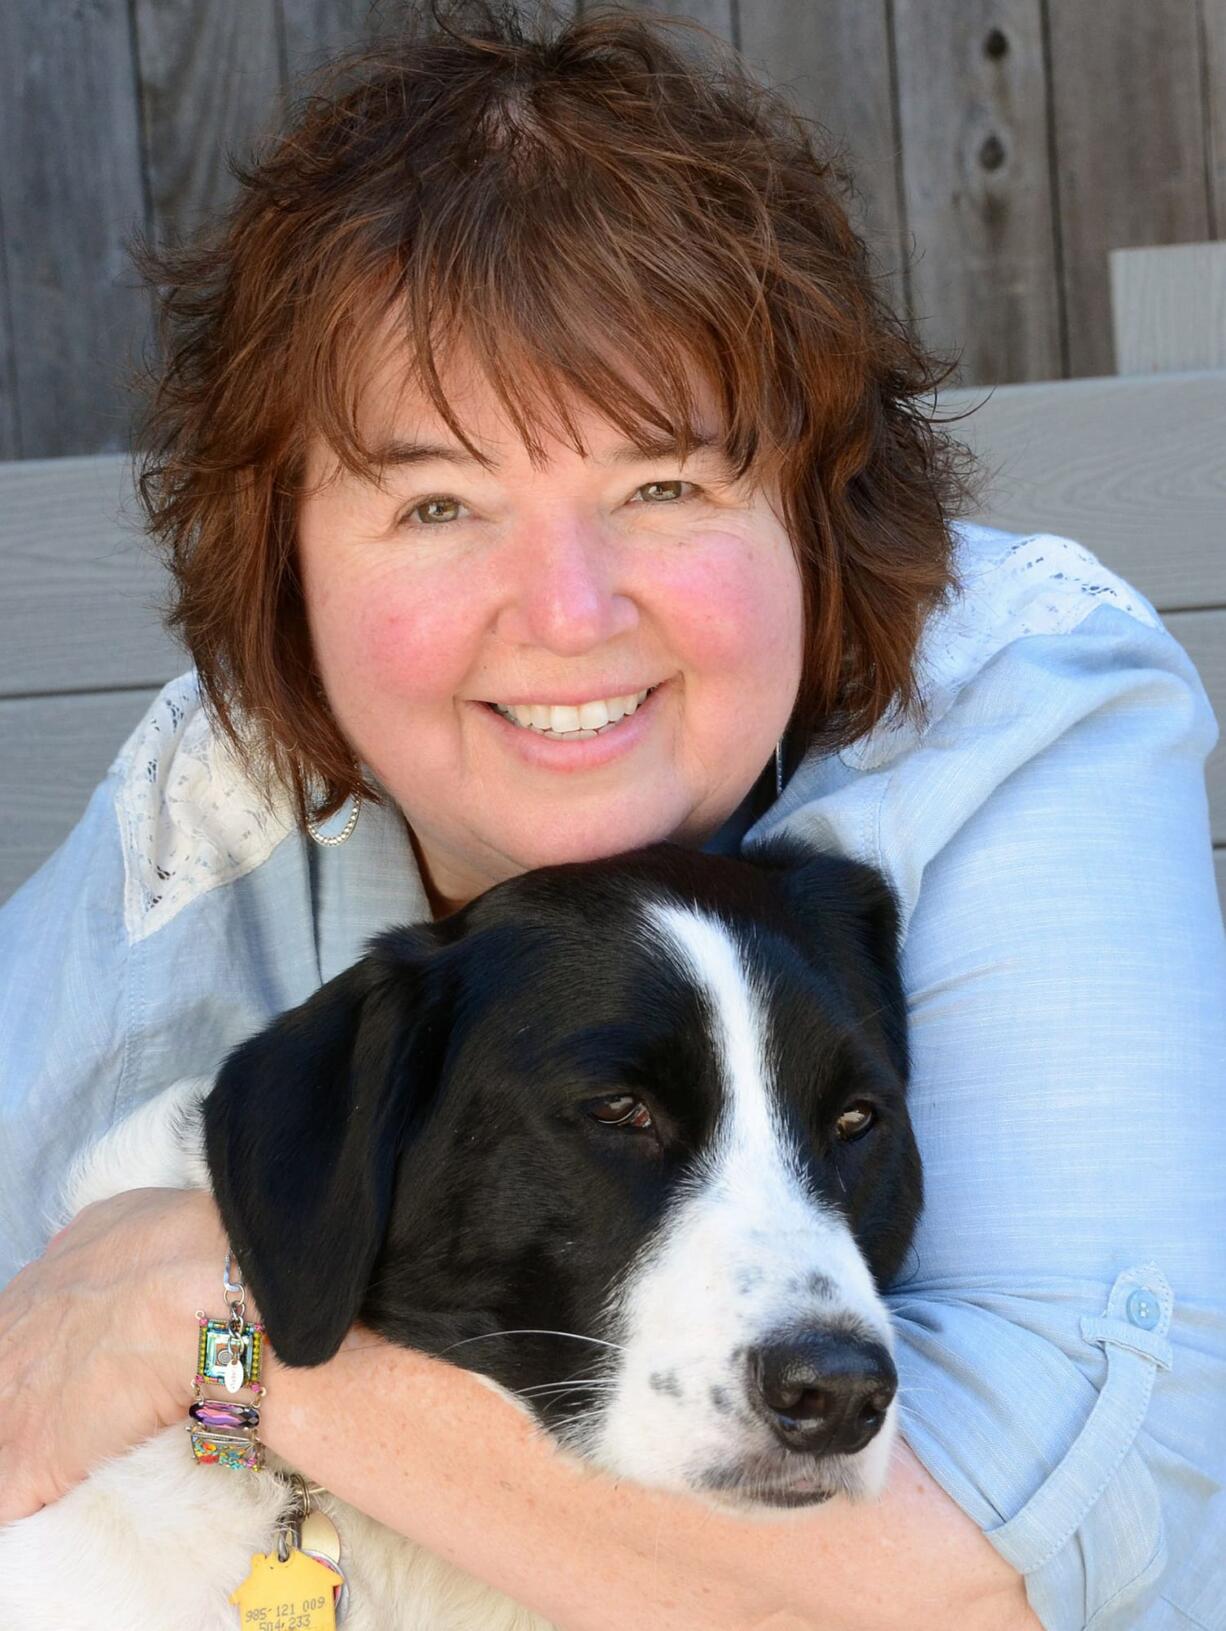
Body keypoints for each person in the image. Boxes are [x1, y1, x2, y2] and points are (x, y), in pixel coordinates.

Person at [0, 3, 1222, 1626]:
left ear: (809, 508)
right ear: (287, 572)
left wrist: (208, 1319)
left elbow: (1017, 1568)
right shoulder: (219, 800)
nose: (566, 613)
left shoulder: (1002, 709)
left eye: (663, 486)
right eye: (436, 502)